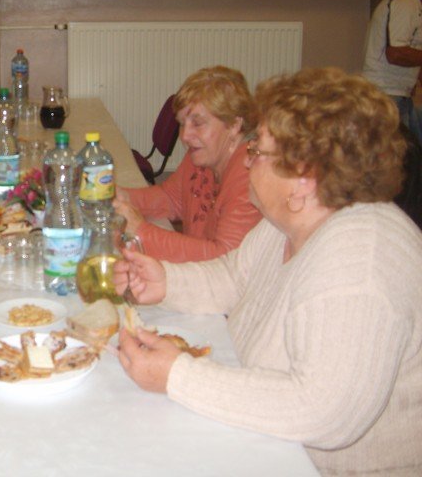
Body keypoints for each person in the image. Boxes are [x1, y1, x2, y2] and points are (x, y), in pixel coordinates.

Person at [113, 68, 422, 476]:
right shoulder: (293, 221)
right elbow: (233, 277)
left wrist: (178, 376)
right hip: (273, 441)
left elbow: (321, 412)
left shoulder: (360, 265)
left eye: (258, 150)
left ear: (303, 178)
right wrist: (166, 281)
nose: (247, 160)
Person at [113, 66, 262, 262]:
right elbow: (171, 198)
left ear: (234, 125)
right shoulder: (203, 156)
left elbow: (225, 259)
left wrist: (142, 231)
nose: (185, 136)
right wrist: (118, 197)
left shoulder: (251, 174)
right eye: (182, 123)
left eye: (197, 123)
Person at [363, 0, 422, 141]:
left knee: (411, 148)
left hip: (397, 92)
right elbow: (396, 53)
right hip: (386, 92)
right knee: (397, 151)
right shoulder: (405, 3)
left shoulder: (412, 4)